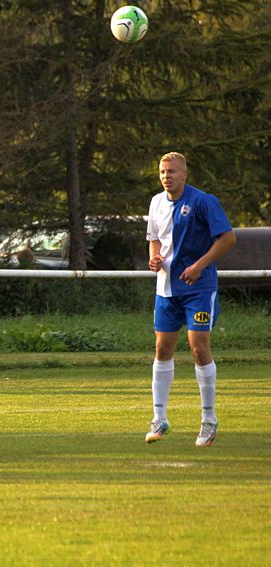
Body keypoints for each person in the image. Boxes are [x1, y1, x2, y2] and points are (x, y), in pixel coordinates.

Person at [145, 151, 236, 448]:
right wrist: (154, 258)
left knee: (198, 348)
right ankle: (159, 419)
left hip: (198, 289)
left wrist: (199, 265)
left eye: (171, 171)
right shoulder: (156, 202)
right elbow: (155, 238)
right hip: (166, 290)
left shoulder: (202, 201)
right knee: (162, 348)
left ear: (184, 174)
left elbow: (227, 239)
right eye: (162, 171)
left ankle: (208, 420)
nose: (166, 176)